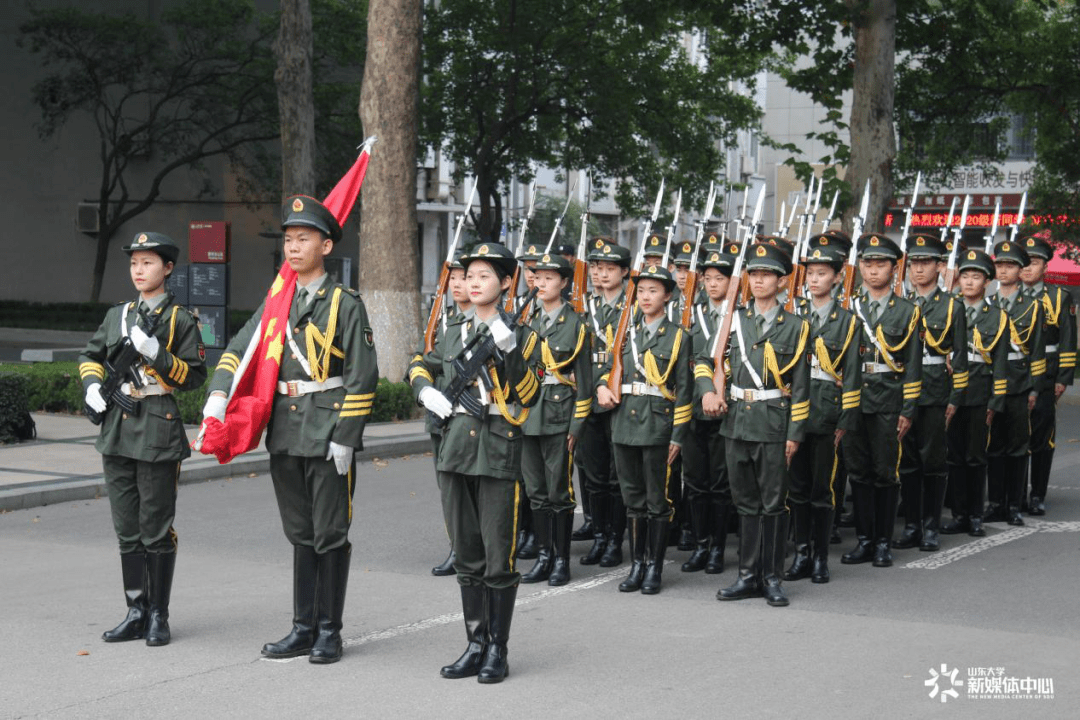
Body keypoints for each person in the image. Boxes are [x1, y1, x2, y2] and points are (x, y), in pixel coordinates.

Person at [203, 196, 379, 664]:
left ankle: (329, 631)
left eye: (303, 239)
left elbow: (363, 376)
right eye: (288, 239)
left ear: (326, 245)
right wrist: (219, 395)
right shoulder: (277, 302)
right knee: (300, 532)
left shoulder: (344, 303)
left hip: (326, 428)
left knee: (330, 533)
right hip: (285, 429)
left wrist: (347, 435)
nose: (293, 247)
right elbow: (239, 350)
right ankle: (302, 627)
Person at [411, 242, 543, 683]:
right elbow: (420, 363)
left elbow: (528, 395)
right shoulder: (452, 331)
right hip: (455, 451)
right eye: (468, 275)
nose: (472, 282)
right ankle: (474, 643)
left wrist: (509, 352)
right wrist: (425, 391)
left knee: (497, 557)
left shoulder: (522, 335)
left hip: (497, 450)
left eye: (484, 275)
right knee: (467, 554)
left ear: (506, 283)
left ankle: (497, 650)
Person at [79, 231, 207, 646]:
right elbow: (90, 356)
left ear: (167, 269)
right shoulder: (117, 316)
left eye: (148, 263)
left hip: (156, 426)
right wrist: (93, 386)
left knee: (155, 527)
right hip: (117, 427)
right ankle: (135, 610)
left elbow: (194, 377)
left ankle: (158, 615)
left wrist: (156, 353)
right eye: (134, 263)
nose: (139, 270)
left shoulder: (180, 320)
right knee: (126, 528)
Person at [701, 243, 810, 607]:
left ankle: (772, 577)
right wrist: (706, 392)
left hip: (774, 423)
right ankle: (747, 575)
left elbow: (802, 387)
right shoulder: (732, 318)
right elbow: (705, 361)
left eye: (767, 274)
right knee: (745, 502)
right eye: (754, 274)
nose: (759, 280)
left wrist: (794, 434)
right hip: (736, 423)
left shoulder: (796, 326)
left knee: (773, 503)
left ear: (781, 281)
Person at [596, 265, 693, 595]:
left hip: (657, 427)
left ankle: (653, 566)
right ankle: (636, 564)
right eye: (641, 291)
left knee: (657, 500)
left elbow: (685, 390)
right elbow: (605, 369)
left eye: (653, 291)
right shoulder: (624, 331)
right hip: (624, 424)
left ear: (667, 296)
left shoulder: (680, 336)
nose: (646, 297)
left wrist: (678, 435)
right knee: (632, 499)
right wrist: (601, 387)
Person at [840, 234, 922, 569]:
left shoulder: (907, 311)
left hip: (889, 400)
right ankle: (864, 540)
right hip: (854, 401)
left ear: (894, 268)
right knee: (858, 473)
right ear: (859, 267)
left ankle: (884, 542)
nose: (874, 271)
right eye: (868, 264)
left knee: (885, 473)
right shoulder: (848, 309)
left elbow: (913, 365)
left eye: (881, 264)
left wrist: (908, 409)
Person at [785, 241, 860, 584]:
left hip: (828, 413)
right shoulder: (792, 315)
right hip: (795, 413)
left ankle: (819, 557)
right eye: (810, 274)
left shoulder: (846, 321)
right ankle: (800, 553)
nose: (814, 280)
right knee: (796, 489)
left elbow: (854, 374)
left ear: (837, 277)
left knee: (823, 490)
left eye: (822, 274)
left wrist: (846, 419)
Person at [519, 254, 592, 586]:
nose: (541, 283)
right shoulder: (527, 322)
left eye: (549, 278)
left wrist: (576, 426)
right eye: (537, 277)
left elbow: (585, 385)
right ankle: (544, 556)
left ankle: (561, 560)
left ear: (564, 283)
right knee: (535, 492)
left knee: (558, 491)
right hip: (529, 415)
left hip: (560, 418)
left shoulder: (576, 326)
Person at [895, 235, 967, 552]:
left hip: (936, 389)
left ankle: (931, 526)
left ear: (940, 266)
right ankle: (912, 524)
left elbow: (961, 357)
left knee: (934, 461)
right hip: (903, 392)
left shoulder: (953, 306)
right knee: (908, 462)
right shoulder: (901, 304)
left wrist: (955, 398)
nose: (918, 269)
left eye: (926, 263)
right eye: (914, 263)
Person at [942, 249, 1009, 538]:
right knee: (954, 456)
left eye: (976, 277)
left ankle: (976, 515)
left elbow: (1002, 364)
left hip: (980, 392)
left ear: (987, 282)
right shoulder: (948, 308)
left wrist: (996, 400)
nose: (969, 282)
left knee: (975, 457)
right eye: (965, 276)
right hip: (949, 392)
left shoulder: (996, 317)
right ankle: (959, 514)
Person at [413, 251, 472, 577]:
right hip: (441, 414)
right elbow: (426, 360)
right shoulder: (442, 318)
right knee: (448, 487)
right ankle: (457, 547)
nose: (458, 285)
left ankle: (475, 546)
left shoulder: (484, 321)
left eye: (465, 278)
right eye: (453, 278)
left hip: (472, 417)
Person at [681, 249, 737, 574]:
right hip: (692, 407)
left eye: (720, 278)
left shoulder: (738, 315)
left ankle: (717, 549)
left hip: (725, 408)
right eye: (708, 278)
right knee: (696, 482)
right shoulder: (691, 313)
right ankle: (700, 545)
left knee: (719, 483)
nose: (713, 283)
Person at [578, 240, 631, 567]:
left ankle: (614, 540)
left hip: (620, 399)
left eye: (610, 268)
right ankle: (598, 536)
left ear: (625, 272)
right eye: (597, 268)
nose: (602, 274)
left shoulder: (634, 307)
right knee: (593, 476)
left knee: (615, 477)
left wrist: (609, 384)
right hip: (588, 400)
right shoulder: (584, 306)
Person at [986, 240, 1044, 525]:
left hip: (1019, 384)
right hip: (991, 385)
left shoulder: (1033, 307)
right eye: (1000, 265)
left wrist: (1034, 388)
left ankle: (1014, 504)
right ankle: (995, 502)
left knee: (1018, 447)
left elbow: (1038, 352)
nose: (1004, 270)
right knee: (993, 446)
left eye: (1010, 266)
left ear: (1021, 270)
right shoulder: (987, 304)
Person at [1019, 233, 1076, 515]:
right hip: (1014, 374)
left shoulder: (1058, 297)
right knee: (1013, 437)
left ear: (1045, 267)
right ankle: (1013, 493)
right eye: (1023, 262)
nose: (1027, 267)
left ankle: (1037, 494)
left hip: (1045, 376)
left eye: (1034, 262)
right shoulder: (1007, 296)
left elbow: (1067, 338)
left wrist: (1064, 378)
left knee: (1041, 437)